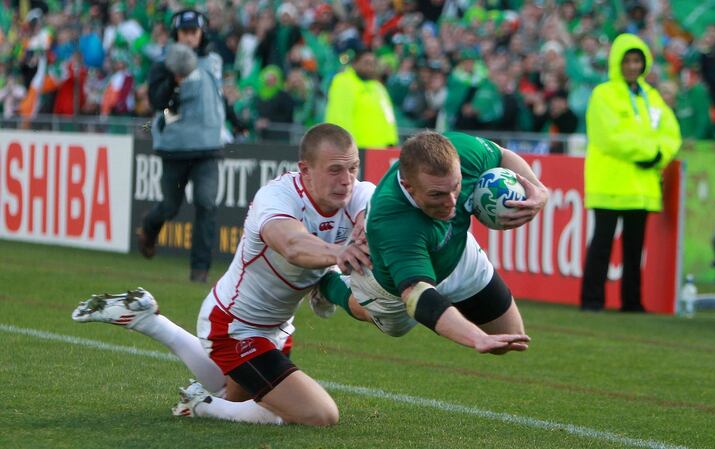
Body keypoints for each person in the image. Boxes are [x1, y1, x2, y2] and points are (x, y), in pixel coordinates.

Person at [73, 124, 374, 426]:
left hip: (276, 329)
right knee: (319, 415)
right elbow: (292, 245)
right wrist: (338, 254)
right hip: (235, 325)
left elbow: (371, 218)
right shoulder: (277, 196)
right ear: (305, 169)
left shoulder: (360, 194)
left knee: (234, 398)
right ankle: (201, 404)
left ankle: (149, 321)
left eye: (353, 168)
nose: (346, 180)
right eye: (335, 170)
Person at [316, 130, 548, 353]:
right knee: (377, 315)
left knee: (511, 337)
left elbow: (502, 154)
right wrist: (476, 338)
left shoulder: (462, 151)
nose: (451, 203)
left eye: (456, 187)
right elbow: (417, 294)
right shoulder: (394, 222)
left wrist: (539, 191)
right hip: (391, 289)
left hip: (456, 252)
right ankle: (327, 283)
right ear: (408, 186)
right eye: (437, 194)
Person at [580, 33, 681, 313]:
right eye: (628, 61)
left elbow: (672, 133)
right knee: (602, 244)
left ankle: (632, 302)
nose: (633, 66)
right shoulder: (604, 94)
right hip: (610, 182)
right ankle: (592, 300)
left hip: (641, 186)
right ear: (617, 62)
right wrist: (653, 153)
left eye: (638, 61)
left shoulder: (652, 96)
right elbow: (610, 137)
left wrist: (660, 153)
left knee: (635, 250)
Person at [139, 9, 226, 283]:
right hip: (176, 147)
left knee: (207, 203)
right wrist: (173, 82)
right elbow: (157, 102)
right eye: (184, 32)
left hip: (209, 147)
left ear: (201, 33)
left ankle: (199, 272)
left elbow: (217, 98)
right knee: (170, 206)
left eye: (194, 32)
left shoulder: (214, 61)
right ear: (176, 35)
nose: (189, 37)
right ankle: (149, 228)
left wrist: (233, 119)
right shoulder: (163, 63)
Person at [324, 49, 398, 149]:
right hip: (356, 151)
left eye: (373, 63)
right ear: (355, 63)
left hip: (380, 151)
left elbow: (389, 118)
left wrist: (391, 142)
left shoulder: (378, 87)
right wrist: (345, 147)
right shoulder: (343, 82)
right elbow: (339, 116)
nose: (370, 67)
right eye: (366, 63)